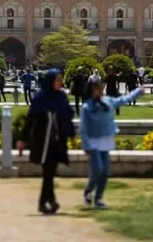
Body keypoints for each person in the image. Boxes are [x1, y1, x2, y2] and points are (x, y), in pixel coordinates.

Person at [80, 77, 143, 209]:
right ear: (92, 90)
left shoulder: (108, 101)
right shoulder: (87, 107)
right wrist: (85, 144)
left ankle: (98, 198)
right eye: (97, 88)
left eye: (100, 87)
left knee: (105, 171)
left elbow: (123, 100)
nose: (100, 90)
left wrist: (138, 92)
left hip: (106, 141)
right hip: (93, 142)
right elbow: (83, 128)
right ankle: (88, 190)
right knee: (97, 169)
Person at [18, 69, 75, 215]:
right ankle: (45, 202)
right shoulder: (40, 98)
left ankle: (50, 200)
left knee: (50, 172)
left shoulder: (62, 97)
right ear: (51, 81)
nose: (60, 82)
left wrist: (72, 134)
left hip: (57, 142)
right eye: (58, 80)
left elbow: (67, 117)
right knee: (48, 172)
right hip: (42, 142)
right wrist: (23, 139)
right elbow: (30, 119)